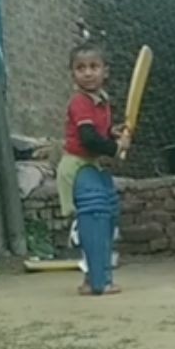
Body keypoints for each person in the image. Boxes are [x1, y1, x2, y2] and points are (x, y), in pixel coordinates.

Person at [55, 41, 130, 295]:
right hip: (77, 166)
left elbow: (99, 133)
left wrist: (113, 133)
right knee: (95, 213)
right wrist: (115, 148)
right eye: (81, 68)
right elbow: (88, 139)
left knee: (107, 213)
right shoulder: (80, 102)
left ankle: (93, 279)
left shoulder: (101, 100)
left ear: (105, 71)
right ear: (72, 73)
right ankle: (99, 282)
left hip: (91, 165)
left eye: (94, 67)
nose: (87, 73)